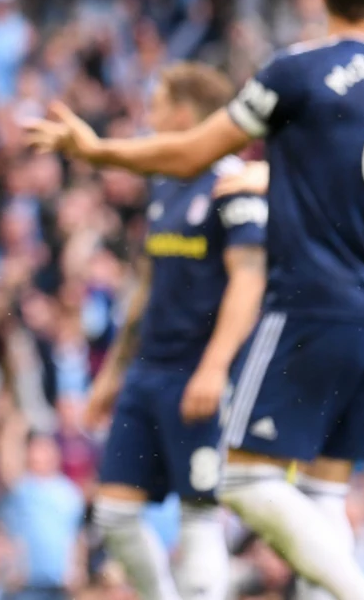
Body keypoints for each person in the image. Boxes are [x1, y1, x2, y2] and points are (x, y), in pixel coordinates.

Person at [25, 0, 364, 600]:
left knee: (244, 480)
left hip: (312, 303)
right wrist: (275, 182)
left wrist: (97, 149)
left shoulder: (296, 70)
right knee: (324, 489)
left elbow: (192, 152)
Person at [81, 63, 268, 600]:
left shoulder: (233, 185)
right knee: (113, 514)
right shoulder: (165, 185)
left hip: (200, 373)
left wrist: (214, 367)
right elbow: (147, 284)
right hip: (148, 372)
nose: (149, 114)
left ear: (184, 114)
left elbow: (248, 280)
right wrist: (115, 371)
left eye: (157, 103)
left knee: (200, 516)